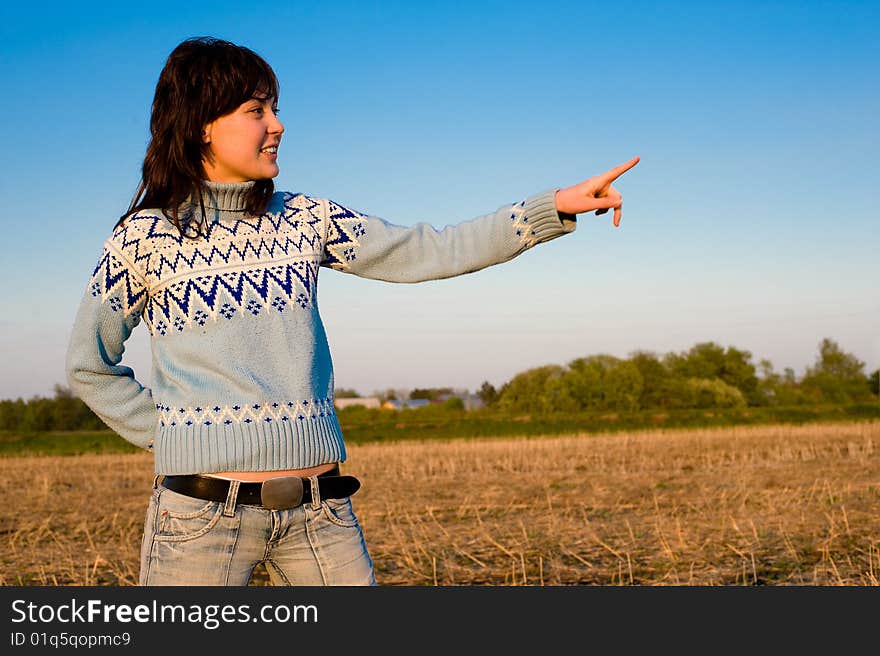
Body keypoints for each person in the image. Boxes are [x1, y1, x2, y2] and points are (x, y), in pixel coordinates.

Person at [65, 36, 639, 586]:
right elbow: (90, 365)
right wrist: (174, 435)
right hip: (200, 521)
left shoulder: (305, 220)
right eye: (255, 109)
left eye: (275, 108)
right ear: (200, 127)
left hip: (321, 515)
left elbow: (426, 248)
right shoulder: (146, 239)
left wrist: (549, 209)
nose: (278, 124)